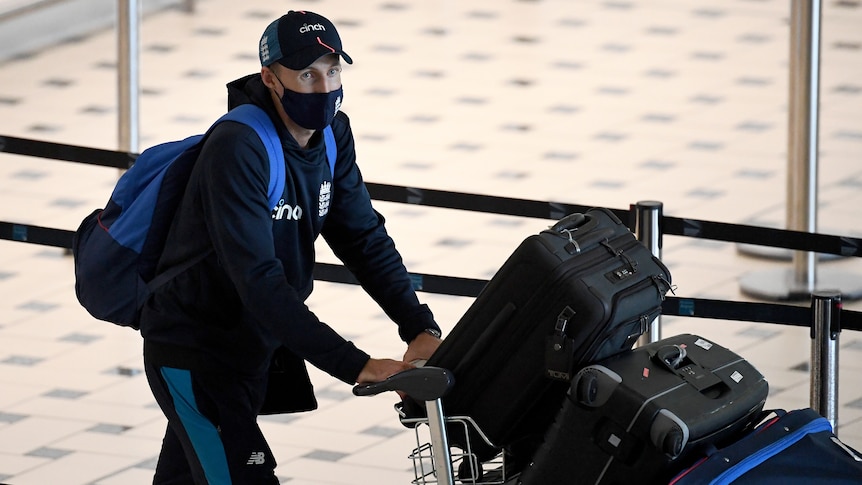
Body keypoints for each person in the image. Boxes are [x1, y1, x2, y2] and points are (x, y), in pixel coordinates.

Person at [139, 10, 443, 484]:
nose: (323, 88)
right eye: (305, 74)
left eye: (333, 71)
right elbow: (259, 282)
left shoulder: (332, 136)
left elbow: (364, 238)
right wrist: (357, 365)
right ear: (269, 78)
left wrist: (417, 325)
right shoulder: (240, 145)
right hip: (194, 350)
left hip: (251, 348)